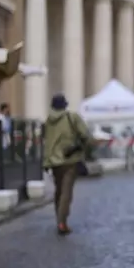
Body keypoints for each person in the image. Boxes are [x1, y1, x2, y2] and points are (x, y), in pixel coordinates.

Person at [42, 94, 91, 235]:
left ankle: (59, 218)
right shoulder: (72, 117)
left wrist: (46, 161)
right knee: (66, 192)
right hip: (70, 160)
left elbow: (47, 142)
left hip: (53, 161)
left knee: (58, 190)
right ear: (65, 105)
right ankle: (62, 222)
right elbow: (85, 134)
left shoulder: (48, 121)